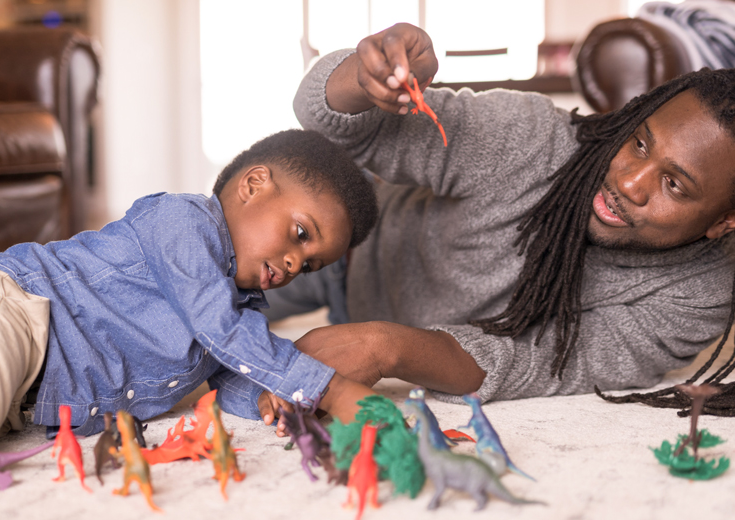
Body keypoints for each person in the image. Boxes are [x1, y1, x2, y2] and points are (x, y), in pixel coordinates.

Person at [266, 23, 735, 414]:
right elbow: (323, 118)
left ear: (724, 222)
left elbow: (536, 363)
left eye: (674, 185)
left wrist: (388, 347)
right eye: (638, 143)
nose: (631, 182)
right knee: (196, 304)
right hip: (341, 241)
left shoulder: (703, 293)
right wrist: (366, 77)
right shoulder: (528, 137)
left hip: (374, 330)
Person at [0, 129, 379, 443]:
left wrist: (267, 398)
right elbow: (219, 327)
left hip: (26, 394)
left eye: (310, 266)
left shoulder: (239, 310)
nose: (294, 263)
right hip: (14, 309)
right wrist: (331, 388)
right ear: (253, 186)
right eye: (301, 233)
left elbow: (230, 377)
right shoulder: (183, 221)